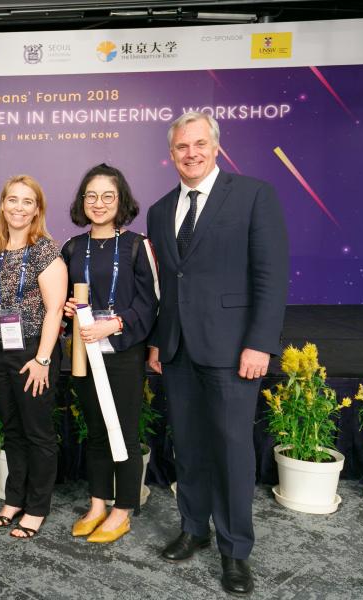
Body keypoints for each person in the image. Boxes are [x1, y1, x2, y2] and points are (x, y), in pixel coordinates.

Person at [146, 111, 288, 595]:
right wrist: (158, 343)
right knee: (188, 446)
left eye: (200, 144)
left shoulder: (252, 195)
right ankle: (194, 528)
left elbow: (270, 276)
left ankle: (235, 550)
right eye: (182, 147)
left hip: (234, 350)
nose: (191, 153)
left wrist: (260, 343)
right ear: (172, 154)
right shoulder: (161, 209)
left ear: (216, 147)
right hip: (179, 349)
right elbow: (170, 283)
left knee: (230, 451)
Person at [61, 164, 158, 543]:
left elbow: (150, 304)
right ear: (81, 201)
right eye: (91, 196)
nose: (98, 203)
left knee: (124, 432)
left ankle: (122, 511)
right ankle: (98, 503)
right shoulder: (73, 247)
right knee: (97, 431)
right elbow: (72, 301)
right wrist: (72, 312)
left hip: (122, 352)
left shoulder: (138, 245)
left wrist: (114, 325)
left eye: (107, 196)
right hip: (85, 352)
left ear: (121, 201)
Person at [0, 175, 66, 539]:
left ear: (37, 209)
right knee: (12, 431)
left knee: (38, 433)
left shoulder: (46, 250)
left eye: (27, 201)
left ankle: (36, 507)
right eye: (12, 200)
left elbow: (55, 309)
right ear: (3, 205)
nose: (18, 207)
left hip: (34, 351)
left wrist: (44, 359)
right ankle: (14, 498)